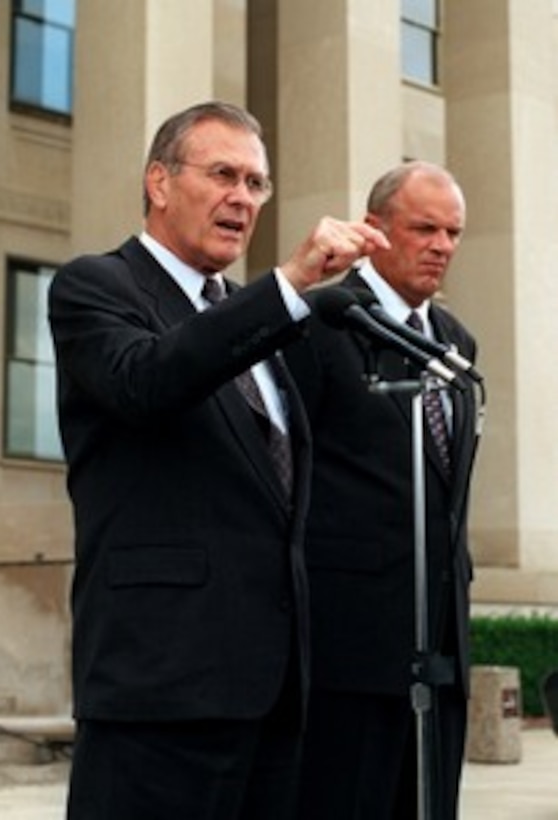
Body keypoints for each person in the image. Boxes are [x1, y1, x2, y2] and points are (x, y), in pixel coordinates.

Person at [48, 100, 388, 820]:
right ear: (160, 183)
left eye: (257, 183)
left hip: (270, 700)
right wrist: (289, 284)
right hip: (159, 694)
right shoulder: (96, 287)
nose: (243, 197)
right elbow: (147, 381)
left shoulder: (262, 322)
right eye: (223, 174)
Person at [284, 161, 481, 819]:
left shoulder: (455, 343)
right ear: (374, 230)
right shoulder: (319, 324)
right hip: (349, 652)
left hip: (441, 647)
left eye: (453, 232)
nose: (442, 246)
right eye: (424, 228)